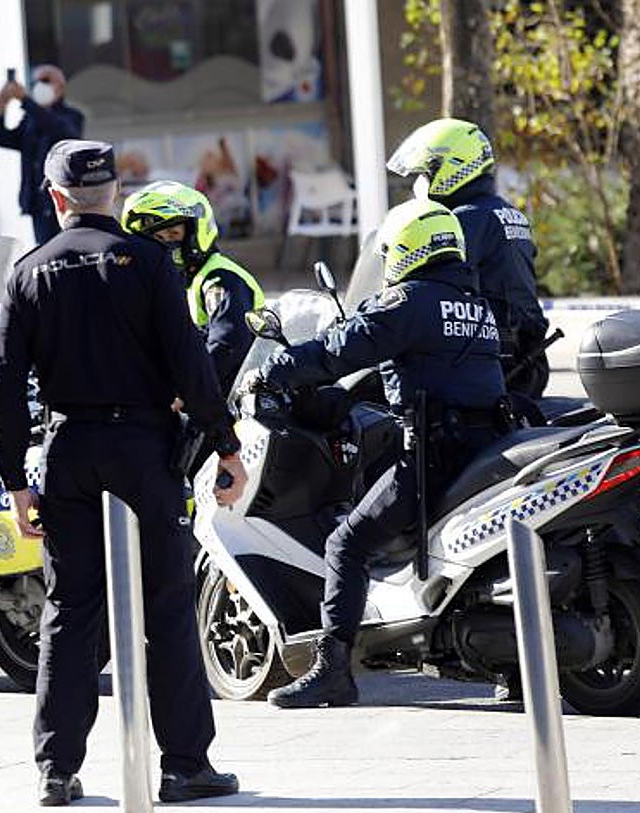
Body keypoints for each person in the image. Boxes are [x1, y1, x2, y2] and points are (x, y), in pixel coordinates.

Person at [0, 140, 247, 806]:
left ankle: (56, 768)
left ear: (54, 197)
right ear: (116, 196)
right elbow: (192, 362)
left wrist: (17, 479)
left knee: (71, 611)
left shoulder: (28, 271)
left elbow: (5, 387)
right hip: (145, 450)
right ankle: (186, 766)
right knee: (167, 608)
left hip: (69, 447)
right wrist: (225, 445)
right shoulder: (153, 262)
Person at [245, 198, 509, 708]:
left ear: (407, 249)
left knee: (346, 543)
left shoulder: (408, 301)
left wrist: (276, 368)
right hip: (487, 444)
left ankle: (333, 669)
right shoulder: (477, 307)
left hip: (434, 455)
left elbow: (341, 348)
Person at [387, 117, 550, 400]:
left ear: (455, 167)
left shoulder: (463, 220)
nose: (420, 183)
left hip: (493, 361)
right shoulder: (508, 213)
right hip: (527, 356)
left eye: (426, 172)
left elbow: (427, 286)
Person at [122, 180, 265, 394]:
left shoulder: (218, 278)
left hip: (243, 395)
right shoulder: (180, 280)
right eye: (157, 238)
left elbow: (229, 344)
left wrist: (187, 393)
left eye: (173, 235)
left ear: (195, 232)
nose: (165, 244)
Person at [0, 64, 84, 246]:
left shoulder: (72, 116)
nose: (40, 85)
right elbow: (3, 139)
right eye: (36, 82)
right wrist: (0, 107)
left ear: (60, 85)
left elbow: (61, 131)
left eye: (45, 81)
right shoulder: (31, 119)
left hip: (63, 200)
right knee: (45, 249)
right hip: (37, 200)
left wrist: (25, 100)